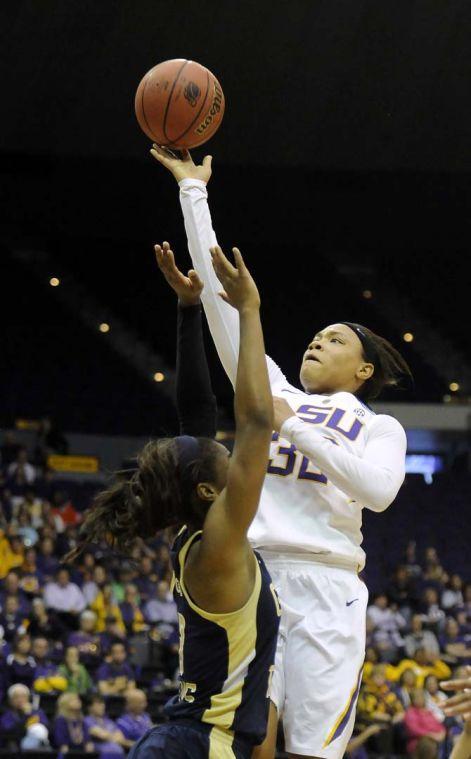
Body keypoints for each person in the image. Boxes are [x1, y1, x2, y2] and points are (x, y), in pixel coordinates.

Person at [151, 145, 411, 759]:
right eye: (317, 336)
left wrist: (291, 427)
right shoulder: (273, 389)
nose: (318, 341)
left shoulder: (379, 426)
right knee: (250, 741)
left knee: (311, 752)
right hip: (254, 573)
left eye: (336, 339)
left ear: (364, 368)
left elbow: (378, 493)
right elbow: (222, 300)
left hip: (329, 583)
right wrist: (194, 193)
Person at [71, 243, 280, 757]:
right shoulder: (219, 543)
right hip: (194, 744)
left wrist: (189, 309)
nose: (229, 448)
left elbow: (197, 412)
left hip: (192, 740)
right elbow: (256, 421)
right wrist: (248, 310)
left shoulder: (201, 531)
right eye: (222, 454)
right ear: (209, 490)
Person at [0, 683, 49, 751]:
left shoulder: (37, 712)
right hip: (16, 746)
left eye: (23, 696)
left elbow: (46, 727)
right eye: (16, 697)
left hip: (37, 746)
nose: (20, 700)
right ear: (10, 700)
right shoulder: (7, 715)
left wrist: (30, 714)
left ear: (28, 698)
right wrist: (26, 716)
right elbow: (9, 732)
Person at [404, 688, 445, 756]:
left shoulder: (428, 712)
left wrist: (442, 732)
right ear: (412, 699)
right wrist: (431, 735)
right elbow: (414, 730)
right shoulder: (410, 712)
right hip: (419, 741)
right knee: (428, 745)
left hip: (435, 739)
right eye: (417, 697)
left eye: (422, 696)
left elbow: (439, 725)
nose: (421, 698)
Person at [441, 666, 471, 759]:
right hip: (456, 732)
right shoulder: (451, 701)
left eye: (467, 677)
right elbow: (447, 722)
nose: (465, 679)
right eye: (462, 677)